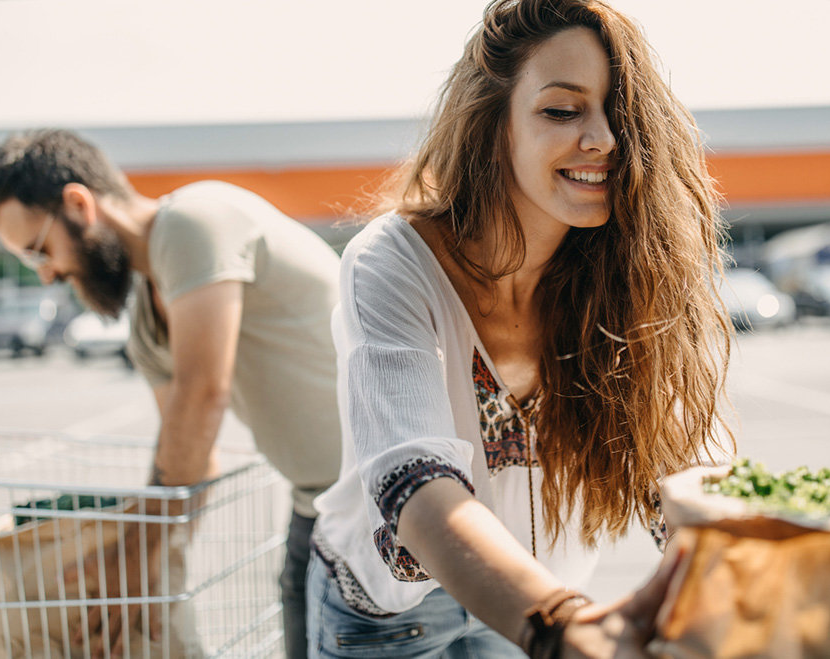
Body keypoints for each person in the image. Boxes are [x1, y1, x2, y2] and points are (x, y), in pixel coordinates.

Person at [306, 0, 734, 656]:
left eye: (620, 114)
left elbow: (681, 473)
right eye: (562, 110)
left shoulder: (625, 278)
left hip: (534, 601)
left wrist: (747, 582)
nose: (605, 140)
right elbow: (416, 490)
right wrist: (563, 624)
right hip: (392, 619)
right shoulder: (393, 260)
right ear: (493, 122)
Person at [0, 129, 342, 659]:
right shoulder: (147, 326)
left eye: (39, 252)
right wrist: (149, 585)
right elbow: (193, 457)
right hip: (317, 514)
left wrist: (132, 560)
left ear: (79, 204)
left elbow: (201, 398)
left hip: (393, 504)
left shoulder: (194, 223)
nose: (48, 275)